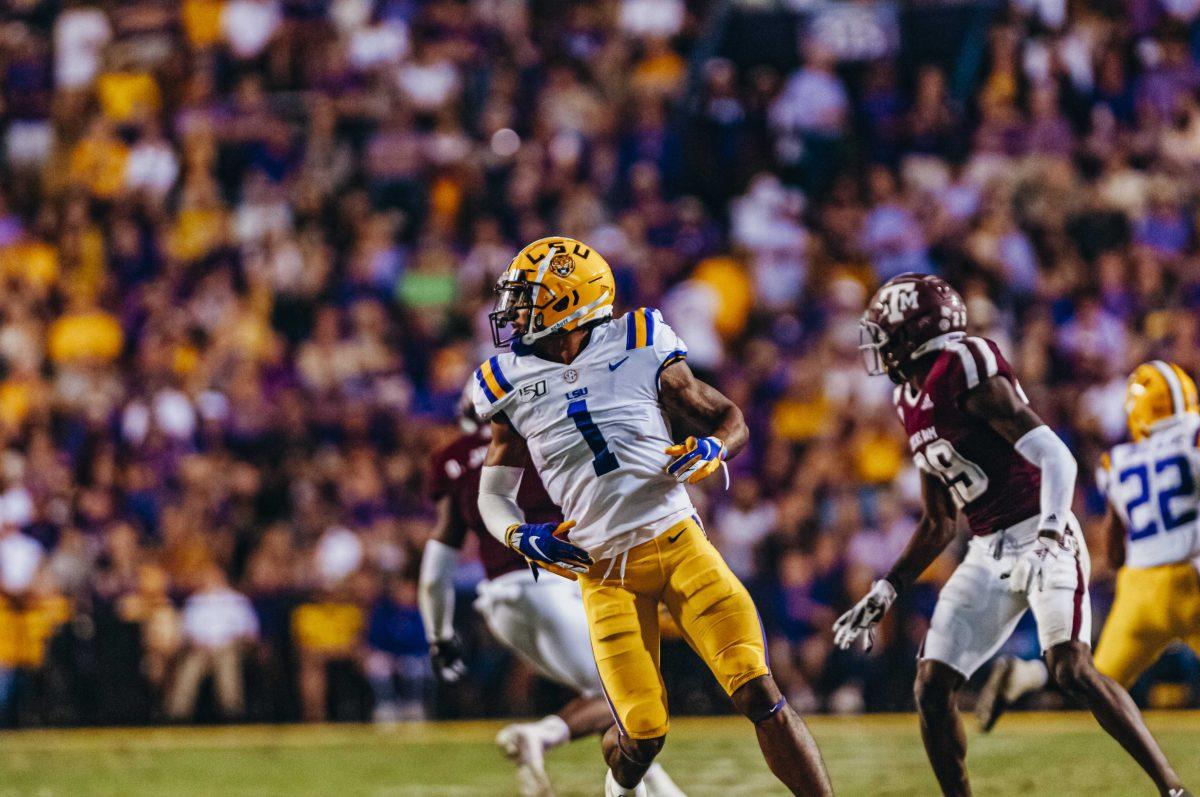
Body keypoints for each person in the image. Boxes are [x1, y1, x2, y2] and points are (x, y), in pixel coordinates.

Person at [471, 237, 833, 797]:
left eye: (528, 299)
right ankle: (621, 787)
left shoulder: (638, 340)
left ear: (570, 302)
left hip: (679, 542)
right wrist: (520, 534)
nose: (516, 312)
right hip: (604, 572)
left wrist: (714, 448)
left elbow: (727, 417)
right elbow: (492, 496)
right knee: (641, 733)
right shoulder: (508, 382)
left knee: (756, 687)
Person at [832, 274, 1191, 797]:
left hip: (1044, 529)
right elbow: (939, 520)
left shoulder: (962, 366)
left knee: (1070, 668)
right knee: (932, 686)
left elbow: (1058, 457)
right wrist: (888, 588)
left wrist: (1047, 537)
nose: (879, 347)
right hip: (987, 548)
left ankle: (1172, 790)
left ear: (916, 334)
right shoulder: (909, 400)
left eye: (887, 333)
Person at [418, 391, 684, 797]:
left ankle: (661, 792)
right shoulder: (544, 435)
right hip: (556, 586)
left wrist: (439, 636)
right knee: (626, 695)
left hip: (500, 603)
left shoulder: (452, 461)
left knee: (612, 698)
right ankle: (542, 736)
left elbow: (437, 566)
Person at [977, 361, 1200, 730]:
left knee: (1095, 677)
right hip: (1191, 581)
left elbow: (1115, 554)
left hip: (1140, 590)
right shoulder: (1193, 440)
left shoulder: (1119, 462)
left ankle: (1030, 676)